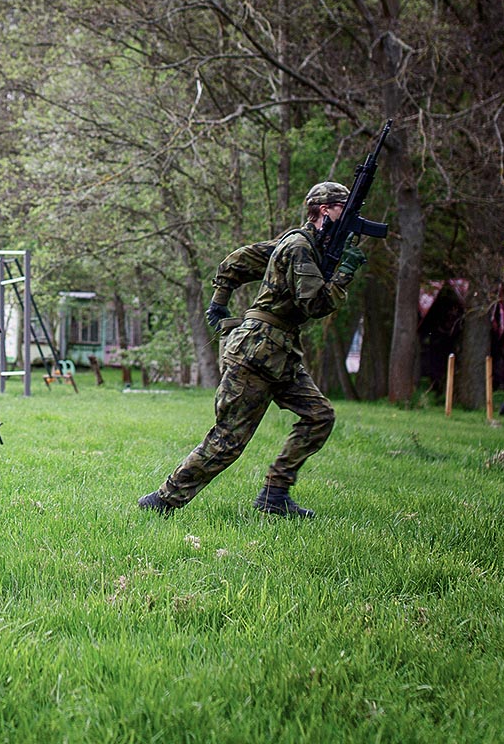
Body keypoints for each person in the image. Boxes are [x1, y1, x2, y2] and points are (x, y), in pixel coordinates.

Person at [138, 181, 369, 519]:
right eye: (343, 211)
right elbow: (316, 304)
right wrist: (344, 273)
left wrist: (220, 301)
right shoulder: (298, 247)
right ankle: (162, 500)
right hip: (255, 354)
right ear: (323, 211)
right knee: (228, 440)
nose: (351, 220)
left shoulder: (309, 246)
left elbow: (238, 260)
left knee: (319, 417)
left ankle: (274, 494)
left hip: (280, 353)